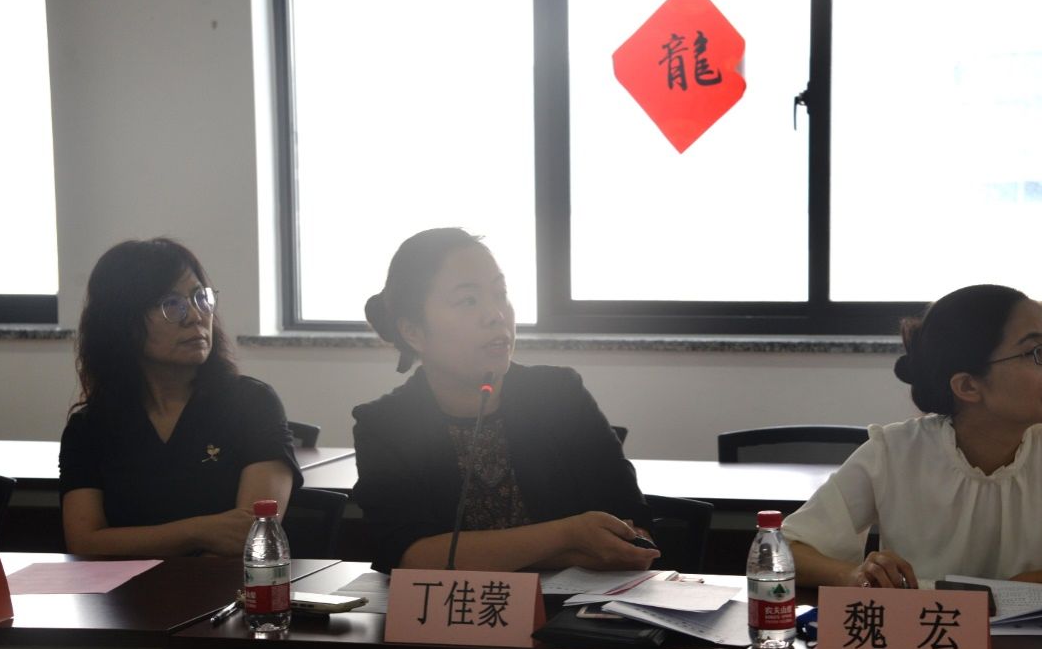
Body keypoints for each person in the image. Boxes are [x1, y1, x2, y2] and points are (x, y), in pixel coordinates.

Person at [784, 284, 1042, 596]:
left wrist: (1023, 586)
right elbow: (784, 550)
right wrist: (852, 575)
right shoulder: (893, 453)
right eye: (1035, 353)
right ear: (968, 386)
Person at [352, 227, 658, 572]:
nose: (496, 314)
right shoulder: (385, 425)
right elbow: (411, 555)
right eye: (469, 300)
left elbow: (630, 529)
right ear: (414, 332)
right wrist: (568, 536)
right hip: (452, 608)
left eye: (500, 294)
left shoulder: (559, 394)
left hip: (571, 604)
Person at [60, 238, 301, 556]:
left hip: (224, 584)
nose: (195, 316)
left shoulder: (252, 404)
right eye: (172, 304)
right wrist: (199, 531)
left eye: (201, 298)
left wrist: (129, 540)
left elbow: (251, 531)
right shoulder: (90, 426)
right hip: (125, 589)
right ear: (122, 322)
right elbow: (84, 542)